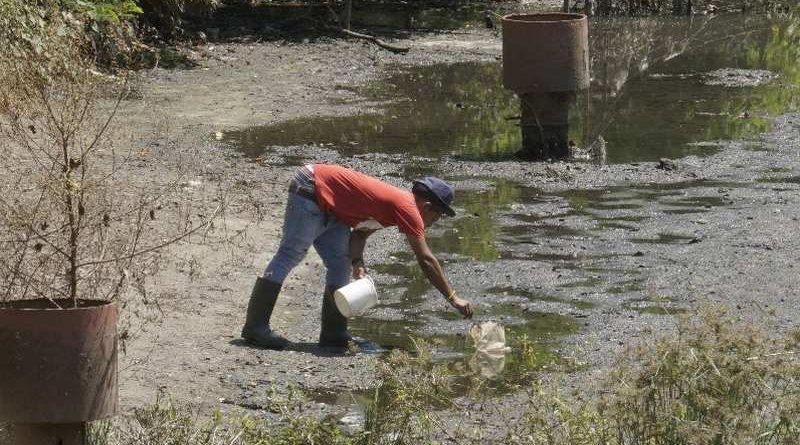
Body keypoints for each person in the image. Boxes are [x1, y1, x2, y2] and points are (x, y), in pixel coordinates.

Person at [241, 163, 474, 350]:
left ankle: (333, 334)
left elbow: (360, 234)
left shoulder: (396, 207)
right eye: (439, 215)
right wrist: (453, 298)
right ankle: (255, 327)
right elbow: (426, 259)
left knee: (340, 263)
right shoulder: (408, 208)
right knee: (291, 253)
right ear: (427, 205)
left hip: (332, 207)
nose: (436, 221)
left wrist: (357, 262)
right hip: (312, 187)